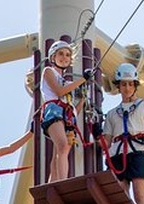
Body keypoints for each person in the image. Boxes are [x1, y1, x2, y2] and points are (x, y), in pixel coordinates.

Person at [101, 63, 144, 204]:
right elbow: (106, 142)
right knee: (120, 198)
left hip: (139, 154)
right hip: (117, 156)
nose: (127, 88)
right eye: (123, 84)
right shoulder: (112, 114)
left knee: (140, 196)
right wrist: (97, 133)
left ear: (135, 85)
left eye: (130, 84)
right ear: (118, 86)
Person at [41, 40, 91, 182]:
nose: (64, 57)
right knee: (62, 146)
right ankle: (63, 181)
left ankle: (53, 182)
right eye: (61, 54)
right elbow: (59, 91)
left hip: (66, 116)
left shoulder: (67, 83)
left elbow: (73, 110)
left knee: (60, 151)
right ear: (53, 57)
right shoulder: (48, 71)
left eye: (68, 55)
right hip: (54, 112)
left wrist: (83, 99)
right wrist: (82, 80)